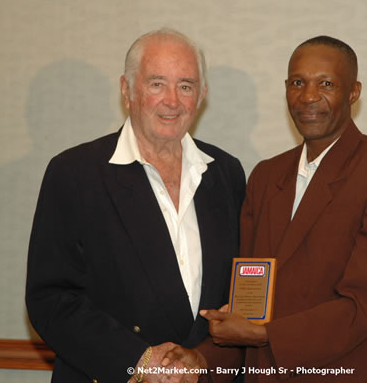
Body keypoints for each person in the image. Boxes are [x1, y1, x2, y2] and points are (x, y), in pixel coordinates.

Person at [194, 36, 367, 382]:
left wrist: (263, 335)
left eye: (327, 84)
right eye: (297, 83)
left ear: (354, 92)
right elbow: (250, 297)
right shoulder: (266, 176)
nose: (308, 96)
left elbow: (365, 305)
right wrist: (198, 360)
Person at [25, 28, 245, 383]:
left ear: (202, 95)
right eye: (157, 83)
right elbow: (50, 298)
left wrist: (202, 361)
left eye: (186, 85)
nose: (172, 100)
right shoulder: (75, 173)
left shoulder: (226, 173)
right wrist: (139, 363)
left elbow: (236, 291)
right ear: (127, 90)